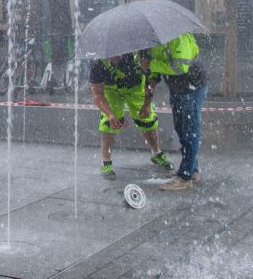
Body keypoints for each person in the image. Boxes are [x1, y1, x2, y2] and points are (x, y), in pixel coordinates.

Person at [88, 51, 173, 180]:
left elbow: (151, 81)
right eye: (111, 54)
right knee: (107, 125)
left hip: (137, 87)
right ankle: (106, 163)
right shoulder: (98, 63)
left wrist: (146, 105)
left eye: (118, 53)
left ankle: (157, 153)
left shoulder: (138, 55)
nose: (115, 57)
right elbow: (97, 94)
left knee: (148, 120)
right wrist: (110, 114)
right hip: (112, 90)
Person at [144, 32, 208, 191]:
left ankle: (185, 177)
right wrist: (151, 81)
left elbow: (180, 67)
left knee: (190, 130)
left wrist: (151, 65)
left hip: (192, 86)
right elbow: (157, 63)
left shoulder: (179, 38)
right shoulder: (155, 41)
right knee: (181, 128)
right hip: (177, 87)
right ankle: (192, 170)